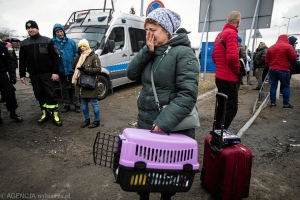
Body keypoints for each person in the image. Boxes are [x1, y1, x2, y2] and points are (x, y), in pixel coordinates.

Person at [127, 8, 199, 200]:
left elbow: (187, 95)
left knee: (168, 175)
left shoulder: (184, 54)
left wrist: (164, 122)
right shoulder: (152, 52)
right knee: (143, 172)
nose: (149, 35)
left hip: (168, 127)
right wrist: (146, 51)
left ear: (167, 30)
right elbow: (131, 74)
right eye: (146, 30)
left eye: (153, 30)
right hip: (145, 123)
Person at [19, 20, 62, 126]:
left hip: (47, 74)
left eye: (32, 28)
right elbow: (22, 60)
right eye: (28, 28)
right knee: (39, 94)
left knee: (50, 94)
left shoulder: (47, 41)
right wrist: (22, 74)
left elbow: (55, 58)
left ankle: (55, 115)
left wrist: (55, 72)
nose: (30, 30)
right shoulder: (24, 44)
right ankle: (45, 113)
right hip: (34, 75)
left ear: (37, 28)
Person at [212, 11, 241, 130]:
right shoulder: (232, 33)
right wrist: (238, 70)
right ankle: (220, 135)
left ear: (227, 21)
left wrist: (221, 66)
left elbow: (214, 56)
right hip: (229, 77)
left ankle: (216, 132)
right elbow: (233, 57)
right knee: (231, 108)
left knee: (222, 107)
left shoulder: (219, 35)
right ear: (238, 21)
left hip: (219, 76)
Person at [72, 39, 101, 128]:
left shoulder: (93, 56)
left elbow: (98, 69)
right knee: (83, 104)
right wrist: (77, 56)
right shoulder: (80, 56)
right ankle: (87, 120)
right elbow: (73, 66)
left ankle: (97, 121)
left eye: (84, 46)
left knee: (94, 103)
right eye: (80, 46)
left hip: (90, 83)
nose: (82, 48)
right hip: (80, 84)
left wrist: (86, 70)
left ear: (87, 46)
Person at [52, 23, 80, 113]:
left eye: (60, 31)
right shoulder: (52, 43)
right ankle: (66, 104)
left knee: (74, 87)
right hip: (60, 69)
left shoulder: (71, 42)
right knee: (63, 88)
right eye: (57, 32)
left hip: (71, 69)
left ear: (63, 31)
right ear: (55, 33)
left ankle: (76, 104)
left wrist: (74, 65)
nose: (59, 33)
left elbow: (76, 54)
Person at [265, 34, 297, 108]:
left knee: (273, 86)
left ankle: (273, 103)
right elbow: (293, 57)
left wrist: (272, 64)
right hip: (284, 69)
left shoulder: (271, 47)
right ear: (286, 39)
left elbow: (266, 60)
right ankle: (286, 104)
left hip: (272, 69)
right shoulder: (288, 47)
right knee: (286, 86)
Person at [0, 41, 23, 125]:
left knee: (9, 93)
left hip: (2, 73)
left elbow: (8, 60)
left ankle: (13, 113)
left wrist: (12, 74)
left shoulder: (1, 46)